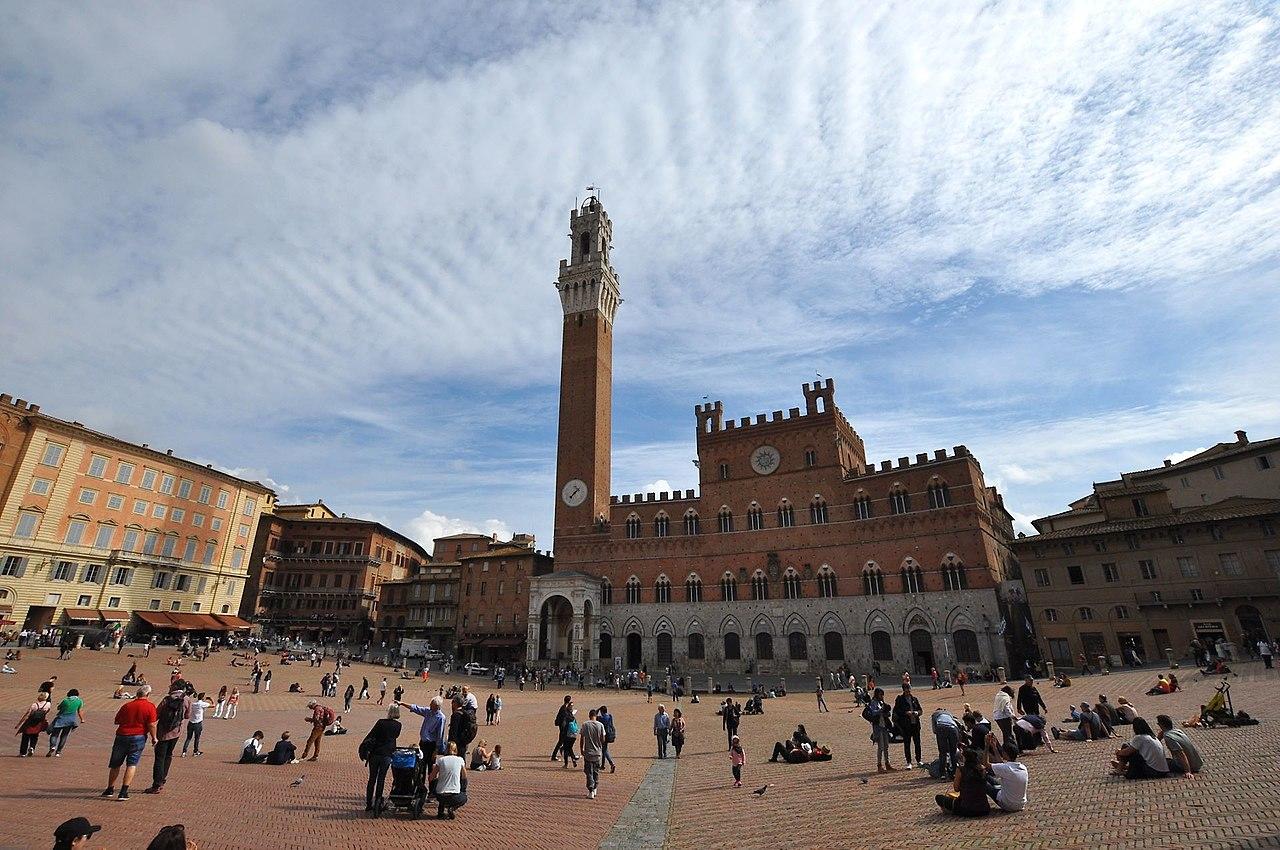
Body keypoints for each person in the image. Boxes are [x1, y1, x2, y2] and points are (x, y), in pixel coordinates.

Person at [102, 683, 158, 800]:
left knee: (115, 764)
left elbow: (117, 721)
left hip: (122, 735)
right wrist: (154, 737)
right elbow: (152, 724)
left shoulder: (127, 706)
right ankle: (123, 791)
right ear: (147, 694)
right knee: (131, 764)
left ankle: (109, 788)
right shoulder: (150, 707)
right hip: (138, 736)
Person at [361, 705, 401, 813]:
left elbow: (372, 734)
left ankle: (369, 803)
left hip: (375, 753)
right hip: (387, 754)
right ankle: (378, 800)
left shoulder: (380, 722)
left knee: (372, 779)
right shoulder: (398, 725)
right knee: (381, 779)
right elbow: (395, 736)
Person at [405, 696, 448, 793]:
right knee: (421, 767)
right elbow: (416, 708)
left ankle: (432, 791)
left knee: (431, 768)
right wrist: (402, 703)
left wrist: (436, 750)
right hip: (423, 744)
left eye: (431, 705)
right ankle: (421, 789)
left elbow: (440, 735)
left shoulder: (441, 717)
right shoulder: (428, 712)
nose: (429, 706)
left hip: (432, 745)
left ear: (437, 706)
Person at [936, 747, 991, 816]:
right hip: (984, 809)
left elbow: (956, 788)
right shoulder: (982, 769)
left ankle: (950, 811)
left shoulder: (961, 769)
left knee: (939, 797)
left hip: (966, 809)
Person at [429, 741, 467, 819]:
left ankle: (441, 811)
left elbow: (431, 778)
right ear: (456, 749)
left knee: (439, 783)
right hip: (454, 795)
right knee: (464, 797)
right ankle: (452, 808)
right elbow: (464, 776)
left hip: (441, 795)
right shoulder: (460, 760)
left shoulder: (441, 760)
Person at [988, 743, 1029, 812]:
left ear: (1005, 754)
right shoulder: (1023, 767)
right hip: (1020, 804)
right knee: (991, 780)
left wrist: (986, 746)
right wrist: (994, 748)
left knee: (984, 782)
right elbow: (1001, 765)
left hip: (1008, 805)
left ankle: (979, 806)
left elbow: (986, 764)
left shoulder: (1007, 768)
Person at [46, 688, 85, 757]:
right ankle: (58, 752)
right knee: (64, 736)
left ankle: (53, 746)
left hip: (61, 720)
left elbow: (59, 708)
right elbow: (79, 711)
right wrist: (82, 719)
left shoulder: (66, 700)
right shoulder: (79, 701)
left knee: (54, 735)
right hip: (70, 721)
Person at [864, 687, 895, 772]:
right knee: (880, 747)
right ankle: (879, 765)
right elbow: (873, 712)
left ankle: (887, 764)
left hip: (884, 726)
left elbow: (888, 713)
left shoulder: (882, 702)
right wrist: (880, 710)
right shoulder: (873, 702)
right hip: (878, 727)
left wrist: (885, 711)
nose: (882, 696)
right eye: (880, 694)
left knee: (886, 746)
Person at [893, 683, 923, 769]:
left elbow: (920, 710)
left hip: (915, 724)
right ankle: (909, 762)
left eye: (909, 689)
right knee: (907, 744)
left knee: (917, 743)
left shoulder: (914, 699)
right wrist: (906, 713)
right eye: (906, 689)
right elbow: (897, 711)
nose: (908, 690)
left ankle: (919, 760)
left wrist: (917, 713)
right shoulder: (900, 699)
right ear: (903, 689)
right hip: (906, 725)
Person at [16, 690, 52, 757]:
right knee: (35, 736)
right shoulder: (48, 704)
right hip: (39, 723)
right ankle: (32, 747)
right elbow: (47, 711)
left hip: (30, 722)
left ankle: (23, 753)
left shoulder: (34, 705)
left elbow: (26, 715)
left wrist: (19, 724)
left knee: (25, 737)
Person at [580, 707, 607, 799]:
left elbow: (582, 738)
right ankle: (595, 787)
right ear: (596, 716)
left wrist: (581, 749)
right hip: (597, 752)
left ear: (589, 715)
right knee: (596, 771)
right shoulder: (600, 725)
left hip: (588, 752)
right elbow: (603, 739)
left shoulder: (585, 724)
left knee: (589, 772)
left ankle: (591, 789)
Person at [448, 696, 478, 764]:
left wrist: (451, 743)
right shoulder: (465, 713)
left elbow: (453, 731)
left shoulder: (456, 715)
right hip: (463, 742)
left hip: (456, 744)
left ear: (455, 703)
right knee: (461, 761)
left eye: (453, 702)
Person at [932, 708, 961, 777]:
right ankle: (954, 772)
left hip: (941, 727)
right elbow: (957, 723)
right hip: (953, 728)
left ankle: (942, 774)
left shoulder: (935, 714)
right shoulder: (949, 713)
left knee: (942, 752)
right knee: (953, 752)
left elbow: (934, 730)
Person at [181, 692, 210, 758]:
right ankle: (195, 751)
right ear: (202, 698)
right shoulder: (202, 704)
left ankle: (184, 752)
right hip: (198, 723)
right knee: (197, 738)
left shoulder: (194, 704)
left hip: (191, 722)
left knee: (188, 738)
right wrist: (210, 699)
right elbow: (213, 705)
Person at [598, 704, 617, 773]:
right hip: (610, 734)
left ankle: (611, 763)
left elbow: (594, 715)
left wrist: (598, 709)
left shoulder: (601, 718)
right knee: (604, 749)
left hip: (604, 735)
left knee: (605, 751)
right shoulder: (610, 716)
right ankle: (602, 765)